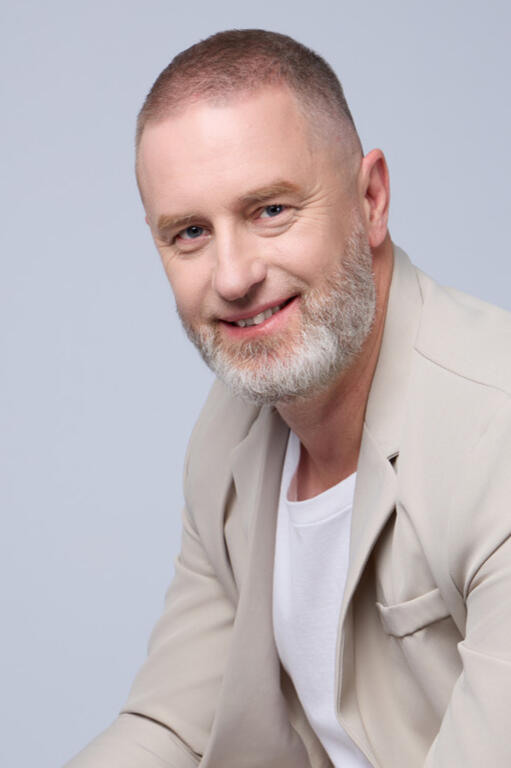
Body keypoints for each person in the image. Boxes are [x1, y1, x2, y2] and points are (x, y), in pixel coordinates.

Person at [65, 29, 511, 768]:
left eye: (270, 210)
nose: (232, 277)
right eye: (190, 232)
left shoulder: (497, 431)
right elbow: (174, 728)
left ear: (370, 199)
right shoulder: (229, 433)